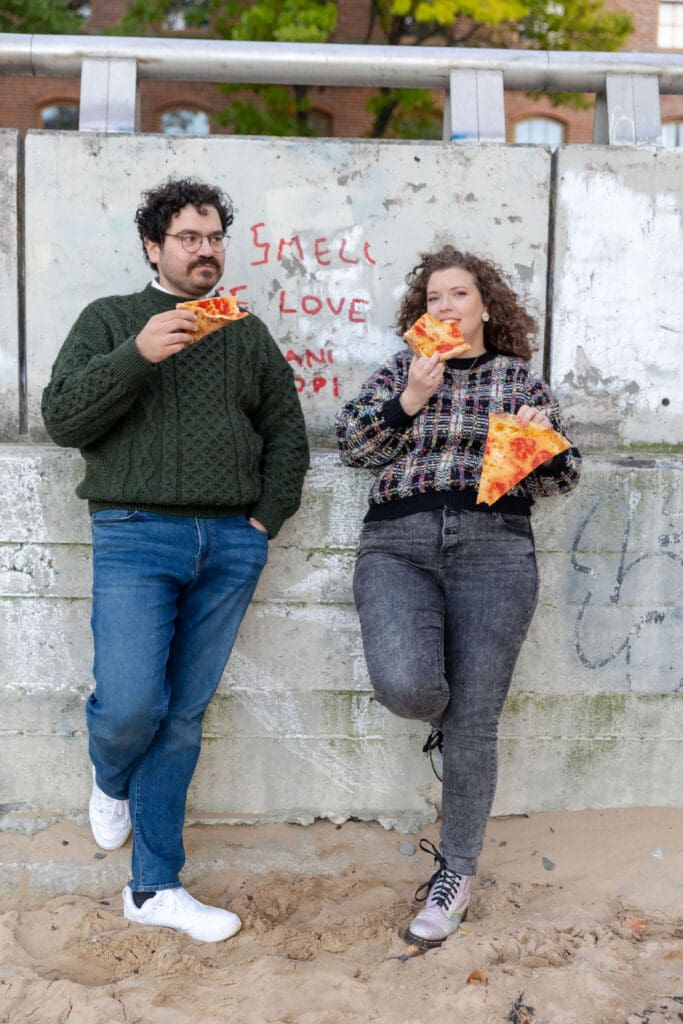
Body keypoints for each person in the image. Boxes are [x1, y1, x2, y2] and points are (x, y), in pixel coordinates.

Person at [42, 178, 309, 943]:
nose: (205, 250)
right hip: (134, 532)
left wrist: (263, 521)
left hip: (230, 543)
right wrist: (137, 354)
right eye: (189, 238)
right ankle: (110, 774)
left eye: (215, 237)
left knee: (183, 717)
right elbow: (63, 419)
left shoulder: (245, 334)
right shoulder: (111, 320)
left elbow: (287, 433)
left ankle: (154, 887)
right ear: (153, 247)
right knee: (132, 706)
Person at [335, 245, 580, 949]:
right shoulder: (399, 369)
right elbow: (353, 445)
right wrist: (411, 396)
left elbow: (561, 481)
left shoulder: (515, 381)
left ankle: (456, 876)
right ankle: (450, 713)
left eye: (457, 295)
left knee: (476, 723)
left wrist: (543, 449)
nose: (443, 307)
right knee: (408, 686)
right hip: (397, 542)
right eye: (432, 298)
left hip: (494, 546)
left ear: (483, 306)